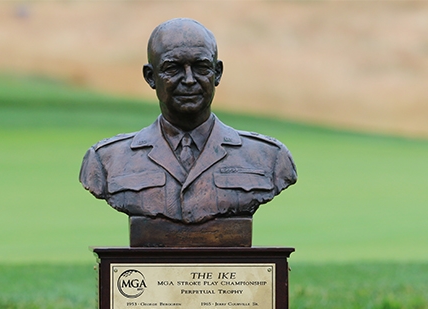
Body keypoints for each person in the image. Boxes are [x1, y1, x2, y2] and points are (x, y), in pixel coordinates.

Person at [79, 18, 296, 225]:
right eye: (172, 68)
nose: (189, 80)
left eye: (201, 67)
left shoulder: (271, 158)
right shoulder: (106, 160)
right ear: (150, 77)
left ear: (217, 73)